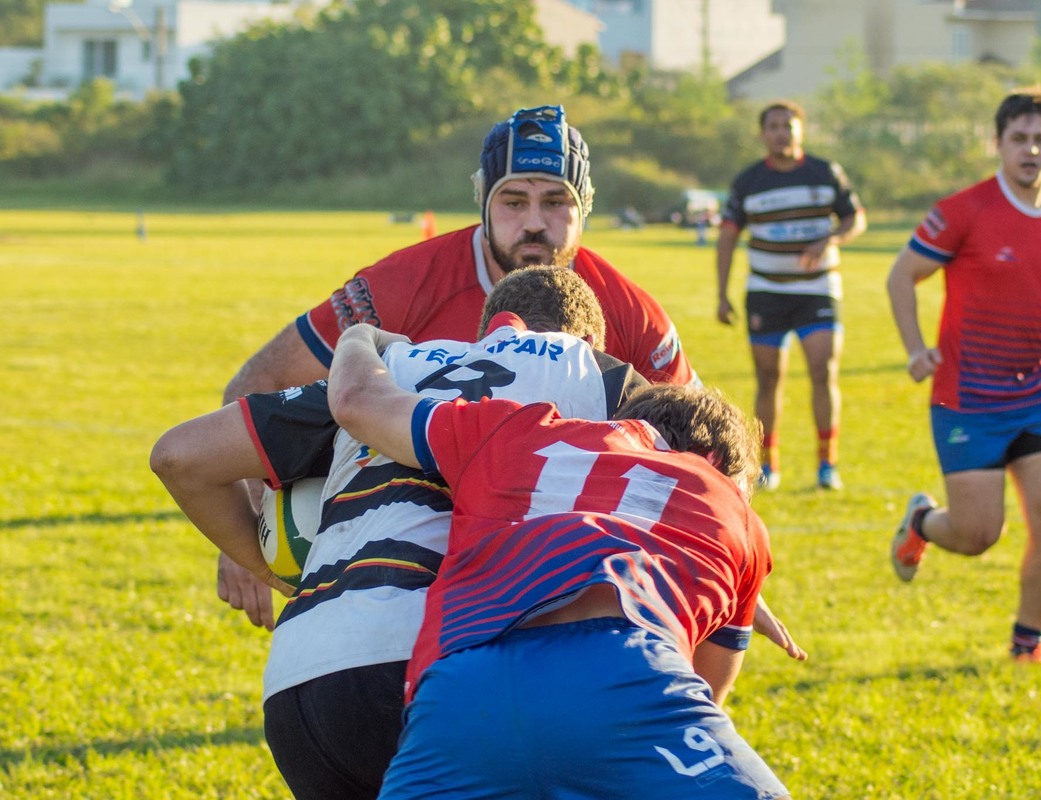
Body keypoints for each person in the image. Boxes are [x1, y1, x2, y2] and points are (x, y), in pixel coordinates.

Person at [152, 268, 649, 800]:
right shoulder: (596, 373)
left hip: (300, 686)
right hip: (441, 671)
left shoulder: (388, 368)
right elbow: (694, 476)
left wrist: (278, 578)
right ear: (589, 339)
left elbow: (179, 457)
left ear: (486, 332)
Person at [218, 104, 699, 628]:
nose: (534, 223)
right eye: (513, 201)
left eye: (556, 201)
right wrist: (250, 534)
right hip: (409, 561)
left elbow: (703, 447)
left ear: (584, 207)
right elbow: (258, 382)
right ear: (483, 201)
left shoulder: (630, 310)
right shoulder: (403, 284)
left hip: (561, 569)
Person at [327, 326, 796, 799]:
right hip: (625, 671)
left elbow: (355, 400)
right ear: (716, 464)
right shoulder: (732, 510)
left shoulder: (513, 430)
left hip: (459, 691)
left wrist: (359, 335)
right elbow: (705, 688)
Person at [885, 90, 1041, 674]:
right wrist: (915, 349)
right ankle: (922, 522)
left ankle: (1027, 646)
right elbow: (901, 275)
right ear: (998, 144)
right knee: (976, 534)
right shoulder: (965, 210)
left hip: (1040, 390)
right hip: (968, 396)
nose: (1030, 150)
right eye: (1019, 138)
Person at [716, 100, 867, 492]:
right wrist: (722, 293)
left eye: (789, 125)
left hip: (817, 290)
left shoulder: (825, 172)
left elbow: (855, 218)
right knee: (768, 379)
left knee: (823, 371)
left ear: (801, 130)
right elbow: (728, 235)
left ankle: (827, 464)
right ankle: (769, 465)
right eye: (774, 126)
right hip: (766, 293)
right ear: (763, 134)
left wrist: (831, 239)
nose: (782, 132)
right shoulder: (748, 181)